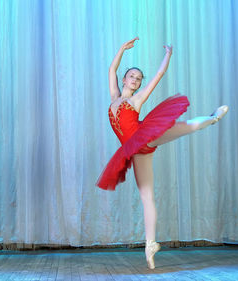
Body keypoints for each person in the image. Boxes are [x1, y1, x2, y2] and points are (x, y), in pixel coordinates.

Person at [96, 37, 228, 269]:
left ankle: (213, 118)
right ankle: (150, 245)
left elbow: (157, 77)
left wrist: (168, 55)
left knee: (184, 127)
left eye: (138, 79)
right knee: (147, 196)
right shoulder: (114, 97)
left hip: (145, 136)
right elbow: (111, 69)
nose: (136, 80)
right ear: (124, 78)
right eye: (132, 76)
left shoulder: (136, 100)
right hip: (136, 151)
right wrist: (121, 49)